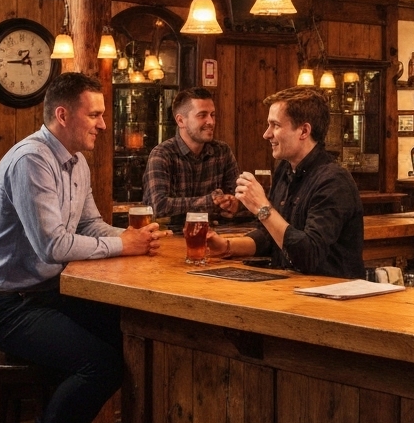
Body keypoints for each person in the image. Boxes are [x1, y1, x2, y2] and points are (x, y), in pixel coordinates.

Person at [0, 72, 161, 423]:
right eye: (94, 114)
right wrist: (122, 245)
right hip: (6, 306)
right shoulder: (31, 161)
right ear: (63, 114)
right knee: (101, 365)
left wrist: (134, 238)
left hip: (43, 296)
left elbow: (89, 225)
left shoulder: (76, 161)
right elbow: (53, 245)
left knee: (124, 337)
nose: (102, 124)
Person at [205, 87, 365, 279]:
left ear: (304, 131)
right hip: (291, 290)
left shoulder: (334, 181)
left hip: (332, 296)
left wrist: (262, 207)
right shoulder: (285, 169)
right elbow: (270, 236)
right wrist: (227, 246)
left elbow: (308, 256)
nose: (266, 134)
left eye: (276, 125)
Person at [142, 88, 239, 228]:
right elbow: (158, 207)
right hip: (171, 239)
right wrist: (210, 202)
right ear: (181, 121)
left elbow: (238, 196)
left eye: (213, 115)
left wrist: (234, 203)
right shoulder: (162, 154)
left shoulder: (222, 151)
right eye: (202, 115)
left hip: (216, 236)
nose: (210, 121)